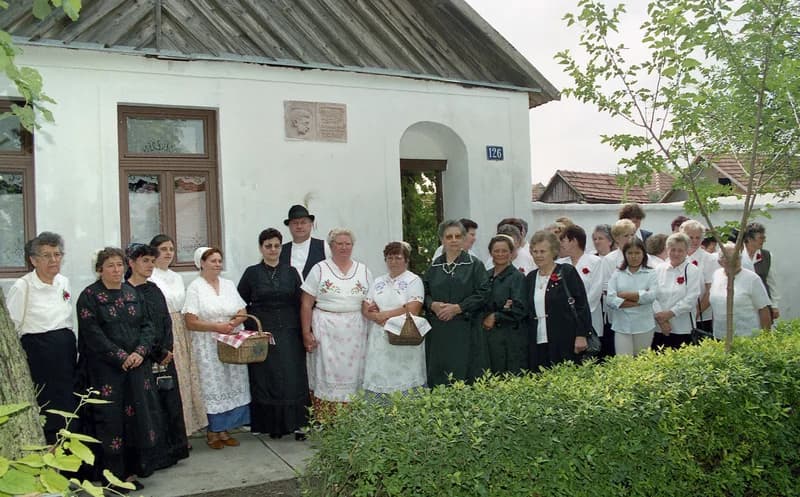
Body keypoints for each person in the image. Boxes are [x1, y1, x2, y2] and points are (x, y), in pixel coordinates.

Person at [76, 247, 162, 489]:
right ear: (99, 269)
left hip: (136, 369)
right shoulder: (90, 296)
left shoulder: (132, 292)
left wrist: (139, 352)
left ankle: (132, 472)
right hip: (105, 372)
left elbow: (148, 326)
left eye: (119, 265)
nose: (116, 270)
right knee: (109, 422)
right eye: (110, 265)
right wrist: (120, 356)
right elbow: (93, 334)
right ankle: (109, 477)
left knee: (136, 420)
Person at [237, 228, 310, 439]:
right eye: (268, 246)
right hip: (262, 333)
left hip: (290, 331)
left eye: (277, 245)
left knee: (293, 376)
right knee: (266, 377)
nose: (273, 250)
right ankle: (273, 426)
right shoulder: (252, 273)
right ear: (261, 248)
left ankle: (298, 425)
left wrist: (307, 331)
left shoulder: (291, 272)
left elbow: (302, 302)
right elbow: (240, 302)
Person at [6, 232, 77, 444]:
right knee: (48, 408)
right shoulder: (23, 286)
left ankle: (71, 463)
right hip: (39, 354)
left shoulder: (63, 281)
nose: (54, 260)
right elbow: (13, 326)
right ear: (33, 260)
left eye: (57, 254)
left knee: (68, 405)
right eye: (47, 255)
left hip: (65, 351)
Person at [126, 244, 189, 467]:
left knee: (169, 404)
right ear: (131, 263)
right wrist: (156, 352)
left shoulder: (154, 289)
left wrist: (168, 349)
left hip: (165, 357)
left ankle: (173, 451)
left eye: (152, 261)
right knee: (149, 408)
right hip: (144, 359)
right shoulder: (126, 292)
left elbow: (165, 321)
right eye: (145, 261)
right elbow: (136, 330)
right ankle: (155, 457)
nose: (150, 266)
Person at [301, 229, 372, 421]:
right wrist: (306, 333)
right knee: (325, 372)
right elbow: (306, 303)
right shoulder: (320, 269)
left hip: (355, 330)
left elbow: (370, 302)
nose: (344, 247)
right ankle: (326, 419)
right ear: (331, 246)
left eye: (347, 243)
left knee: (355, 372)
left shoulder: (364, 270)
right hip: (326, 328)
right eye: (339, 244)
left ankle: (352, 419)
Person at [183, 247, 250, 450]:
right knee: (213, 386)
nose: (217, 264)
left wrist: (232, 323)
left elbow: (242, 311)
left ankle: (225, 429)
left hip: (231, 342)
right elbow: (190, 321)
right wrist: (216, 327)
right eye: (213, 260)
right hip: (208, 345)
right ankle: (213, 430)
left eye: (220, 260)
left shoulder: (228, 285)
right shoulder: (195, 287)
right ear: (201, 263)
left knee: (232, 383)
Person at [148, 234, 207, 438]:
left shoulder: (177, 276)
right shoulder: (150, 276)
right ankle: (170, 433)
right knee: (169, 380)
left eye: (171, 249)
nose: (168, 253)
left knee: (185, 379)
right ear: (153, 252)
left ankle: (186, 429)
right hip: (162, 330)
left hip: (181, 329)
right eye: (163, 249)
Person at [424, 220, 489, 387]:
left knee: (464, 377)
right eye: (449, 236)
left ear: (463, 238)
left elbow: (483, 293)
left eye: (458, 236)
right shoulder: (434, 267)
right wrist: (432, 305)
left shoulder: (475, 265)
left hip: (466, 330)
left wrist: (458, 308)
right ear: (442, 240)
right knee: (440, 379)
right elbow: (423, 293)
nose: (453, 240)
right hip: (439, 332)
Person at [361, 242, 427, 399]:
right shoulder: (378, 281)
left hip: (404, 336)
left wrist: (384, 315)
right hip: (379, 339)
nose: (393, 262)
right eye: (389, 258)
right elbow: (366, 307)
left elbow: (414, 308)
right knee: (380, 374)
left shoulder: (414, 280)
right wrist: (375, 317)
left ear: (406, 260)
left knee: (404, 378)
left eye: (398, 258)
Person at [525, 231, 590, 369]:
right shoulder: (530, 278)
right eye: (535, 251)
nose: (538, 255)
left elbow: (581, 305)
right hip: (537, 341)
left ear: (553, 251)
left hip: (565, 339)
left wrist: (581, 335)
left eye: (543, 251)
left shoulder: (567, 272)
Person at [482, 235, 527, 374]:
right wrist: (504, 306)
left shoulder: (517, 277)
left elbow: (520, 308)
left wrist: (496, 316)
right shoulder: (485, 276)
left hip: (509, 339)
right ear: (490, 253)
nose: (500, 254)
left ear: (512, 253)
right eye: (496, 251)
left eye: (504, 251)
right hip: (487, 337)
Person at [606, 239, 658, 357]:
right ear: (625, 255)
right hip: (622, 326)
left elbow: (651, 296)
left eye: (637, 253)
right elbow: (610, 300)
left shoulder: (651, 273)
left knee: (641, 364)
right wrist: (639, 300)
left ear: (643, 254)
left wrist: (624, 295)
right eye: (630, 253)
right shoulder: (617, 274)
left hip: (644, 326)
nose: (634, 256)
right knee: (623, 364)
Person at [709, 243, 771, 339]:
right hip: (720, 336)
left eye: (736, 257)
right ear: (720, 261)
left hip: (746, 338)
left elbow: (763, 310)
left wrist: (766, 338)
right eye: (728, 257)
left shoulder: (752, 279)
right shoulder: (716, 275)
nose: (733, 261)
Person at [651, 233, 703, 350]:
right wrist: (661, 319)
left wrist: (669, 314)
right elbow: (652, 295)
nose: (676, 253)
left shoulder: (692, 271)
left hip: (682, 328)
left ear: (686, 251)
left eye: (680, 250)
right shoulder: (659, 269)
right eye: (673, 249)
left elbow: (691, 298)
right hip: (659, 328)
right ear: (667, 249)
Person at [558, 225, 603, 345]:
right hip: (565, 320)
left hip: (590, 318)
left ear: (574, 241)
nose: (561, 244)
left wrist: (579, 312)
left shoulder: (595, 262)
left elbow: (595, 292)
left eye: (564, 241)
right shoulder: (560, 264)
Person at [598, 219, 637, 357]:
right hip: (618, 314)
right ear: (616, 238)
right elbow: (606, 287)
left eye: (633, 234)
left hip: (639, 314)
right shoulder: (609, 260)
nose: (631, 238)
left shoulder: (644, 257)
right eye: (626, 235)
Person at [680, 220, 716, 333]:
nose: (695, 241)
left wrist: (696, 313)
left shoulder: (709, 259)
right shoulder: (676, 256)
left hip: (702, 317)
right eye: (691, 237)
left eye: (698, 237)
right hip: (678, 315)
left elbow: (710, 290)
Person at [740, 222, 780, 323]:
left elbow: (772, 282)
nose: (764, 240)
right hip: (742, 303)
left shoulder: (767, 256)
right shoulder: (738, 255)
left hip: (763, 304)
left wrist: (774, 305)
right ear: (749, 239)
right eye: (761, 238)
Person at [280, 204, 329, 280]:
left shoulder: (324, 247)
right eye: (295, 223)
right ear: (289, 226)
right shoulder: (280, 250)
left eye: (303, 222)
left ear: (311, 224)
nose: (299, 226)